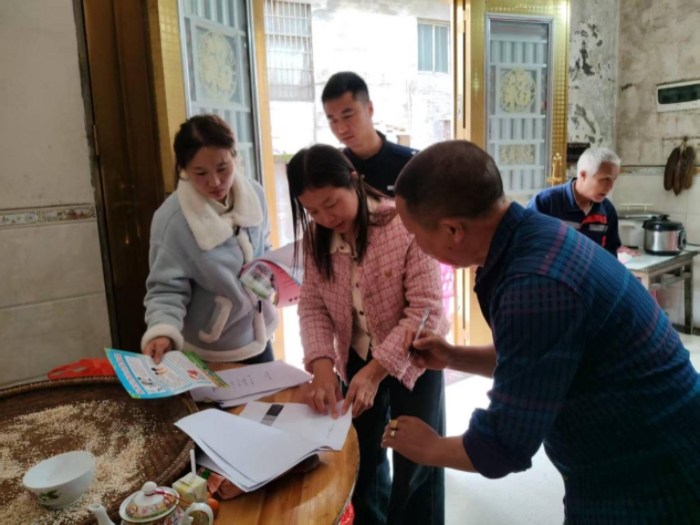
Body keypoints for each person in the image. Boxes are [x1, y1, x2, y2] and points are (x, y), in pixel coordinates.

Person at [385, 140, 700, 523]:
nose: (416, 247)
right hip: (626, 450)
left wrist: (431, 448)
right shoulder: (532, 233)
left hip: (651, 466)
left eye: (415, 235)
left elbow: (503, 445)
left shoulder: (533, 282)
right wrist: (453, 356)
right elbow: (536, 360)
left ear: (453, 229)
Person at [288, 144, 448, 525]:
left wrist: (377, 371)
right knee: (362, 459)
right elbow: (312, 306)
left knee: (417, 463)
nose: (326, 218)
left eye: (331, 204)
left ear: (354, 181)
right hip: (356, 356)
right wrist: (322, 366)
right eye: (313, 211)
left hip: (416, 357)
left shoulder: (402, 224)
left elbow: (425, 311)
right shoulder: (317, 240)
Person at [141, 114, 278, 365]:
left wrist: (277, 279)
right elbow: (165, 289)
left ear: (234, 156)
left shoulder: (254, 194)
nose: (214, 181)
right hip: (210, 349)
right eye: (200, 173)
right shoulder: (172, 220)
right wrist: (162, 332)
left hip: (260, 335)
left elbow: (264, 249)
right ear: (184, 169)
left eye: (223, 168)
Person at [322, 71, 417, 196]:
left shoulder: (412, 164)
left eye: (348, 116)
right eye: (333, 121)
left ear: (369, 109)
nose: (341, 129)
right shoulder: (333, 169)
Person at [528, 147, 622, 258]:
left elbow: (610, 254)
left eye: (614, 180)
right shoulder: (545, 202)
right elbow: (527, 244)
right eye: (605, 179)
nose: (610, 187)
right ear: (583, 175)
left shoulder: (607, 210)